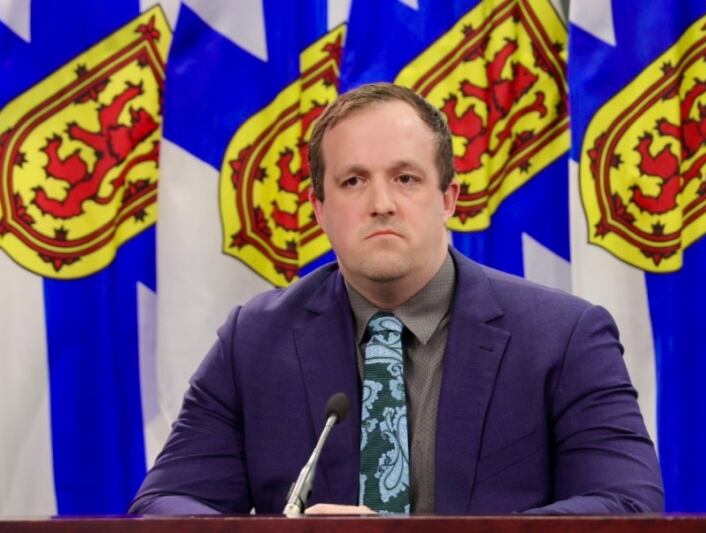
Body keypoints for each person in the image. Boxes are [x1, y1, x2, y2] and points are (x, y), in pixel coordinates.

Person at [129, 83, 664, 515]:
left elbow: (625, 502)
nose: (381, 203)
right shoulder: (254, 340)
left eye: (406, 178)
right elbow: (166, 504)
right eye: (353, 181)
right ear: (319, 208)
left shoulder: (563, 336)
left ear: (448, 197)